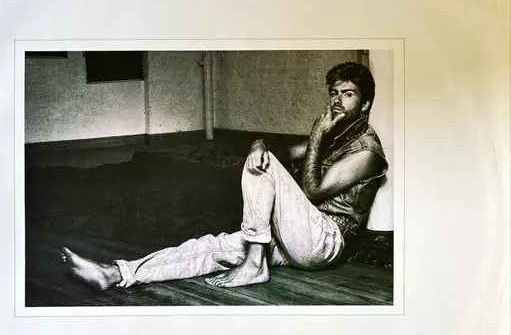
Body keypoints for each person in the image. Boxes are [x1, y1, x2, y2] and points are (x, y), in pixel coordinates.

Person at [61, 61, 388, 290]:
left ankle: (255, 265)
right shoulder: (334, 137)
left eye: (348, 94)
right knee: (215, 247)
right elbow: (282, 152)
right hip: (297, 234)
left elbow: (313, 191)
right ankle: (117, 273)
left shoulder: (367, 153)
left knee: (262, 166)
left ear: (365, 104)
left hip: (326, 243)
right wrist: (259, 143)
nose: (337, 101)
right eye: (333, 93)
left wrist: (315, 136)